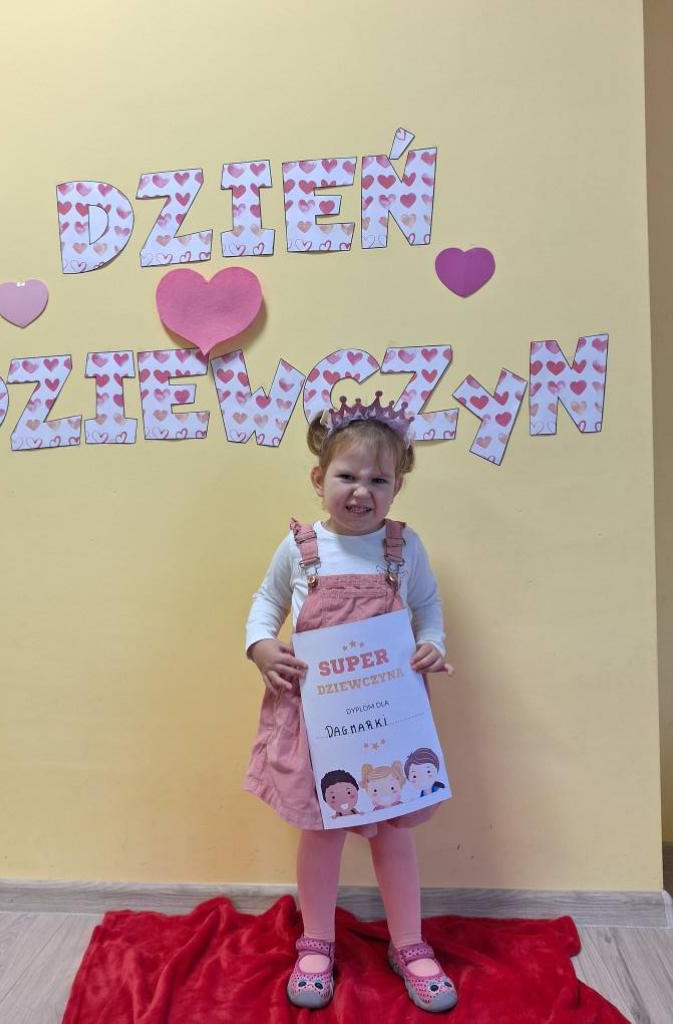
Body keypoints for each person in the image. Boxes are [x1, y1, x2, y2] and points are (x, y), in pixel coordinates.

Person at [244, 391, 458, 1013]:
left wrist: (432, 643)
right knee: (322, 832)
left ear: (397, 488)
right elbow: (265, 604)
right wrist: (261, 647)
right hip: (319, 721)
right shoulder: (300, 549)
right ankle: (316, 942)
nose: (362, 491)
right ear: (319, 479)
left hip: (389, 718)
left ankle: (409, 943)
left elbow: (428, 606)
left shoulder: (403, 548)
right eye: (347, 476)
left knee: (392, 832)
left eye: (378, 480)